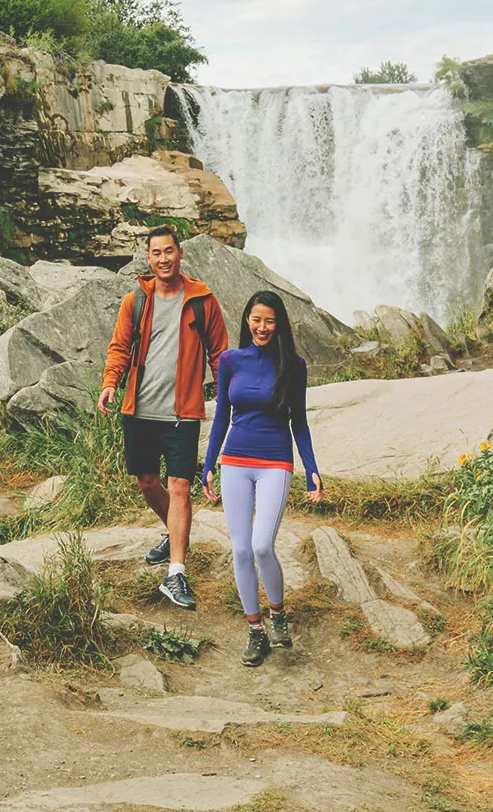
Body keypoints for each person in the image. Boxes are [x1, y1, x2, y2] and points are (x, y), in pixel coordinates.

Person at [98, 226, 228, 611]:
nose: (163, 259)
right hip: (139, 408)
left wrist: (225, 394)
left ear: (181, 253)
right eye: (156, 253)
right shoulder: (135, 300)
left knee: (179, 487)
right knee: (146, 482)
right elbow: (120, 346)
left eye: (169, 251)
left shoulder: (202, 300)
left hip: (182, 411)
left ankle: (176, 572)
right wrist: (110, 384)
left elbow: (219, 353)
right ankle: (173, 534)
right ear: (149, 258)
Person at [202, 289, 323, 667]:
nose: (262, 327)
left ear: (279, 323)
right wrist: (207, 464)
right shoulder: (230, 361)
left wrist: (312, 471)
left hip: (275, 462)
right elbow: (221, 415)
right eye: (256, 319)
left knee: (261, 546)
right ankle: (255, 631)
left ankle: (278, 615)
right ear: (247, 321)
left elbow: (299, 423)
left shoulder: (294, 365)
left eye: (269, 320)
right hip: (234, 460)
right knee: (239, 549)